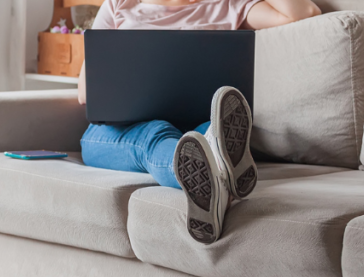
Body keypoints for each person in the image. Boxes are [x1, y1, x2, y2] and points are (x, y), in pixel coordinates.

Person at [78, 0, 322, 244]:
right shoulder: (118, 4)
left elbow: (304, 13)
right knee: (158, 134)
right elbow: (85, 92)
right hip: (122, 131)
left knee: (209, 133)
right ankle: (216, 172)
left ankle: (211, 181)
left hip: (199, 125)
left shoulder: (229, 4)